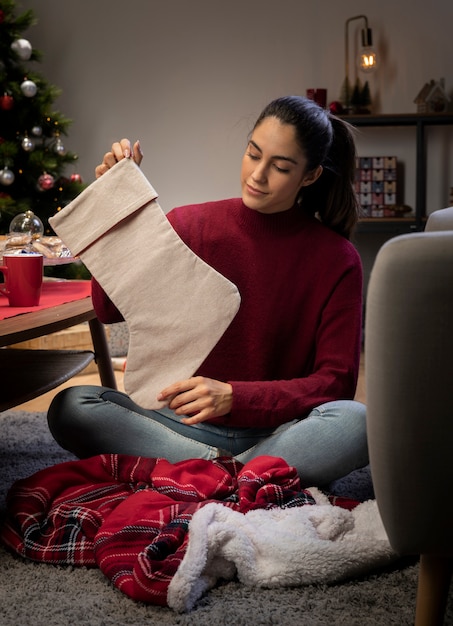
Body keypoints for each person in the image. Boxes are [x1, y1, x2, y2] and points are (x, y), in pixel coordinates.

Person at [47, 95, 368, 488]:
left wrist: (236, 396)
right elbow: (109, 308)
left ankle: (200, 476)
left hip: (278, 433)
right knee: (73, 407)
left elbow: (335, 382)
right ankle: (240, 477)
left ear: (311, 176)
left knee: (356, 422)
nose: (258, 174)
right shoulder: (192, 224)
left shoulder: (337, 259)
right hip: (177, 425)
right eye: (253, 153)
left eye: (280, 167)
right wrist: (116, 209)